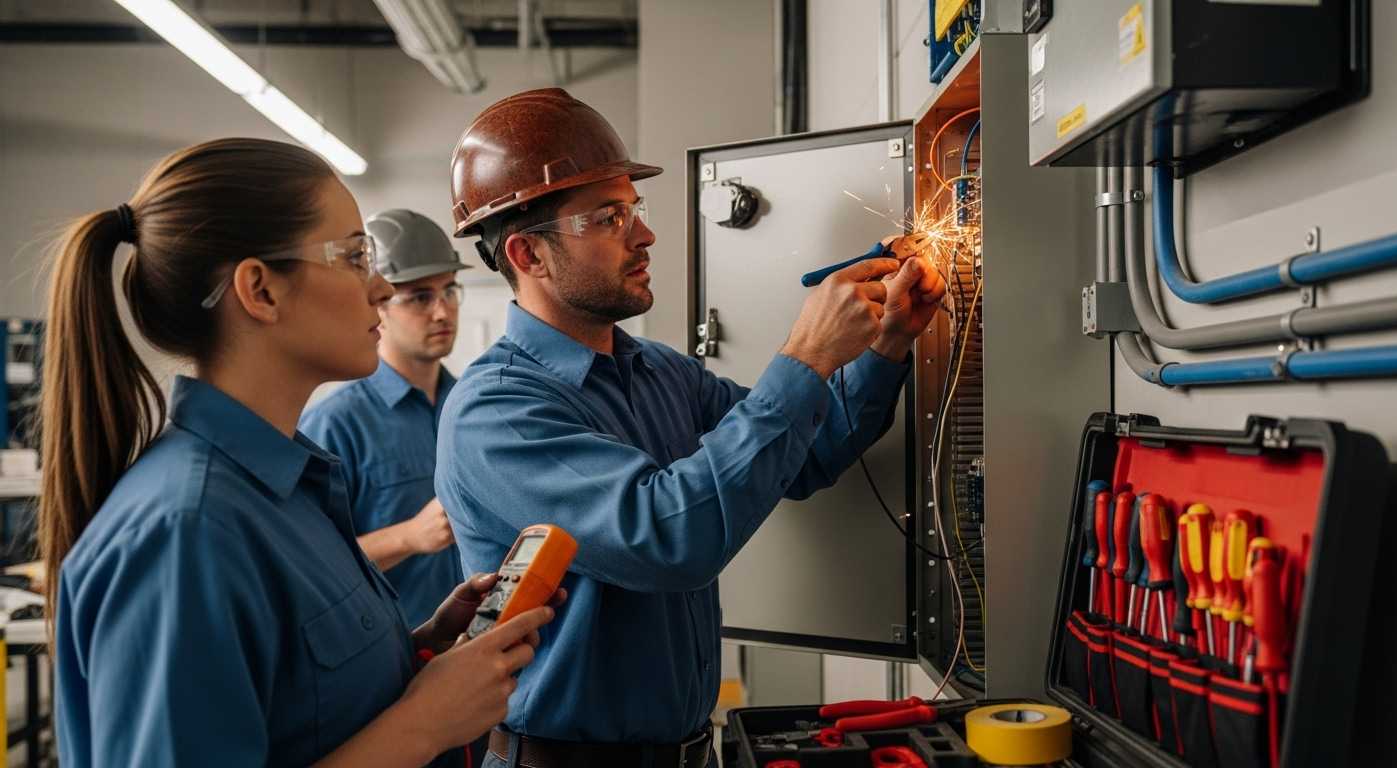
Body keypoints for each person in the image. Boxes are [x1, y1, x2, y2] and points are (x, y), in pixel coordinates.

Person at [435, 89, 945, 768]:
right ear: (529, 255)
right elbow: (669, 538)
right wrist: (805, 356)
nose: (643, 234)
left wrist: (886, 344)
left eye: (633, 209)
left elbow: (807, 453)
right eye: (608, 217)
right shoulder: (495, 414)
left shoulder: (658, 373)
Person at [38, 138, 559, 767]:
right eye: (355, 255)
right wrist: (424, 725)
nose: (377, 287)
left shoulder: (289, 486)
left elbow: (298, 707)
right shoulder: (186, 532)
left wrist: (424, 650)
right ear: (260, 290)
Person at [301, 208, 469, 629]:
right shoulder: (333, 424)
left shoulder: (472, 406)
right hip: (393, 664)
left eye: (449, 291)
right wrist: (409, 537)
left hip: (482, 651)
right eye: (419, 297)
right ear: (378, 303)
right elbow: (304, 564)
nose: (443, 312)